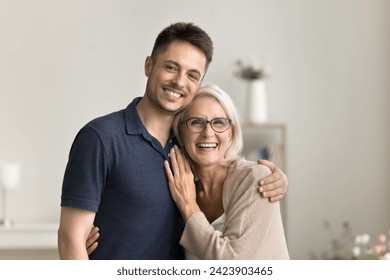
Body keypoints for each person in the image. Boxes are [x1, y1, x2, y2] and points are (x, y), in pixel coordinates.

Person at [58, 22, 288, 260]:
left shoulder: (189, 147)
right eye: (171, 67)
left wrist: (276, 180)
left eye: (192, 75)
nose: (179, 82)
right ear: (149, 65)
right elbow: (70, 239)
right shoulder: (101, 138)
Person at [164, 83, 289, 259]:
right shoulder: (180, 184)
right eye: (196, 122)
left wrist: (188, 206)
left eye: (219, 122)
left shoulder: (255, 179)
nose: (208, 132)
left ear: (231, 133)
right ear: (181, 133)